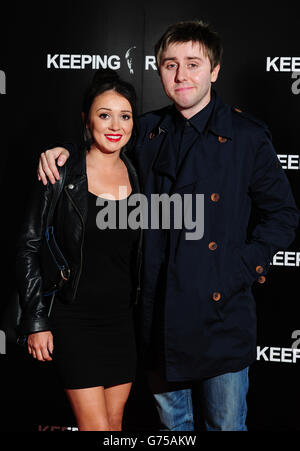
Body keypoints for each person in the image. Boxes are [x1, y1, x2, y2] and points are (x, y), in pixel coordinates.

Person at [36, 21, 299, 431]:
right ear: (159, 70)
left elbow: (282, 215)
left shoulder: (248, 136)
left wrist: (242, 267)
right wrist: (64, 152)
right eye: (170, 65)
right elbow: (106, 142)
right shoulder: (148, 132)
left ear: (214, 71)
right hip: (160, 319)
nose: (181, 75)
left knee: (225, 427)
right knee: (173, 431)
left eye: (193, 64)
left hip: (221, 316)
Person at [16, 69, 142, 431]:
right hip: (73, 320)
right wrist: (36, 320)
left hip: (121, 323)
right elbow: (28, 246)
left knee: (114, 427)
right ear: (87, 119)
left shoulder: (137, 174)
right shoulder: (59, 171)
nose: (115, 124)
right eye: (104, 114)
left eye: (125, 115)